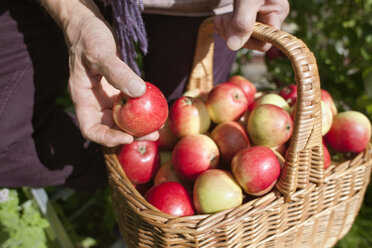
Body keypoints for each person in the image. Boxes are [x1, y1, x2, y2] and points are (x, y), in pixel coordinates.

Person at [0, 0, 289, 192]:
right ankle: (129, 179)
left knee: (173, 156)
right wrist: (75, 20)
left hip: (198, 7)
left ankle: (141, 202)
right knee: (170, 163)